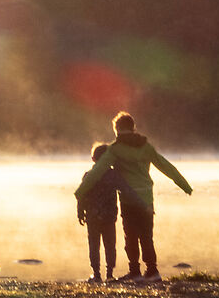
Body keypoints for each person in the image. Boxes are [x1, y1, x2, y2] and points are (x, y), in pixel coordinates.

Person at [74, 111, 193, 281]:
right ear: (133, 128)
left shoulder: (115, 150)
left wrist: (80, 192)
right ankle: (153, 271)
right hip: (146, 197)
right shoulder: (146, 147)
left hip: (129, 198)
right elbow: (165, 165)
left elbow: (98, 171)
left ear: (117, 129)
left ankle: (135, 272)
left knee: (131, 236)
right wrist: (184, 185)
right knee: (147, 236)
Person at [76, 141, 120, 283]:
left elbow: (81, 195)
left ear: (93, 159)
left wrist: (80, 212)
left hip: (93, 215)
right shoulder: (113, 175)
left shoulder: (88, 175)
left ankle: (96, 274)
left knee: (94, 244)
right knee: (110, 244)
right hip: (109, 215)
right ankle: (110, 273)